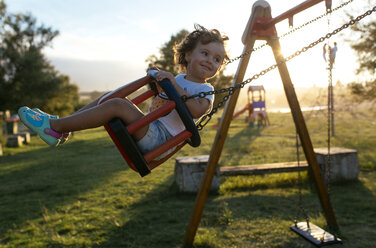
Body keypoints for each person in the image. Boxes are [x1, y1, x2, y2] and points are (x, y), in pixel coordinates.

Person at [18, 24, 229, 157]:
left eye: (217, 59)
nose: (210, 61)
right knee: (108, 97)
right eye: (205, 53)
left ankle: (53, 126)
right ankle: (63, 128)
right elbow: (162, 96)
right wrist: (157, 78)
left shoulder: (205, 89)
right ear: (189, 54)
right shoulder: (180, 78)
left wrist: (172, 83)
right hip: (150, 127)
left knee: (119, 104)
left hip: (160, 138)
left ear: (219, 68)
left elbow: (196, 111)